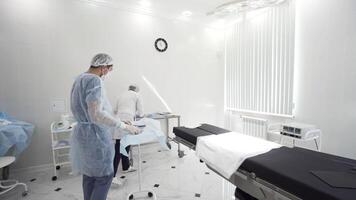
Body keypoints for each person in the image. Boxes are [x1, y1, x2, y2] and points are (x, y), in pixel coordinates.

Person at [70, 53, 140, 200]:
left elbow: (99, 111)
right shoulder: (94, 81)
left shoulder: (79, 79)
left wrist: (118, 120)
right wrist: (123, 125)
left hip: (83, 134)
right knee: (104, 177)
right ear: (103, 67)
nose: (108, 72)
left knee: (89, 175)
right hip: (95, 136)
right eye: (109, 68)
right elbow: (96, 115)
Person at [111, 84, 144, 185]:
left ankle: (126, 167)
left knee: (122, 144)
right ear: (136, 90)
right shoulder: (137, 95)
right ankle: (111, 177)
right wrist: (140, 116)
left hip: (118, 121)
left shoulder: (121, 95)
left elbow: (114, 110)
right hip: (129, 120)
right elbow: (141, 112)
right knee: (119, 148)